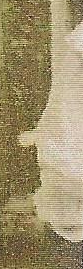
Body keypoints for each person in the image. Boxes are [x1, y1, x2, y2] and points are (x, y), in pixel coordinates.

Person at [21, 22, 83, 242]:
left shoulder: (54, 208)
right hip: (67, 152)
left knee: (69, 90)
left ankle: (77, 46)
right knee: (69, 92)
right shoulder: (58, 212)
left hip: (63, 152)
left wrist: (38, 136)